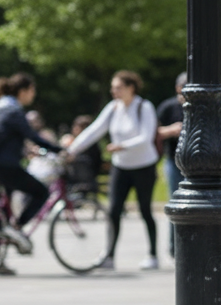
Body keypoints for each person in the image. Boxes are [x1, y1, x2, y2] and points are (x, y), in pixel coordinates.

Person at [66, 70, 159, 270]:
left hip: (144, 166)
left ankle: (152, 254)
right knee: (113, 211)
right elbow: (94, 130)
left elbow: (146, 137)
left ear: (130, 88)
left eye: (118, 87)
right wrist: (72, 149)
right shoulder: (113, 108)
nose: (113, 91)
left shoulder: (144, 107)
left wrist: (122, 145)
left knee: (145, 210)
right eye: (113, 87)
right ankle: (109, 256)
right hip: (121, 167)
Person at [0, 73, 64, 254]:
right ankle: (17, 230)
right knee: (41, 192)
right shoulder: (13, 110)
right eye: (32, 90)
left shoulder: (0, 106)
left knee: (4, 210)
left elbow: (5, 138)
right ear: (23, 91)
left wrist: (25, 150)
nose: (33, 94)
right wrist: (58, 149)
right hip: (7, 166)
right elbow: (32, 135)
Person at [156, 72, 187, 257]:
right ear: (178, 88)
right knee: (176, 204)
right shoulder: (168, 107)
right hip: (173, 161)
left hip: (195, 164)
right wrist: (171, 130)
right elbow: (154, 131)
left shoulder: (199, 107)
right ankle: (174, 247)